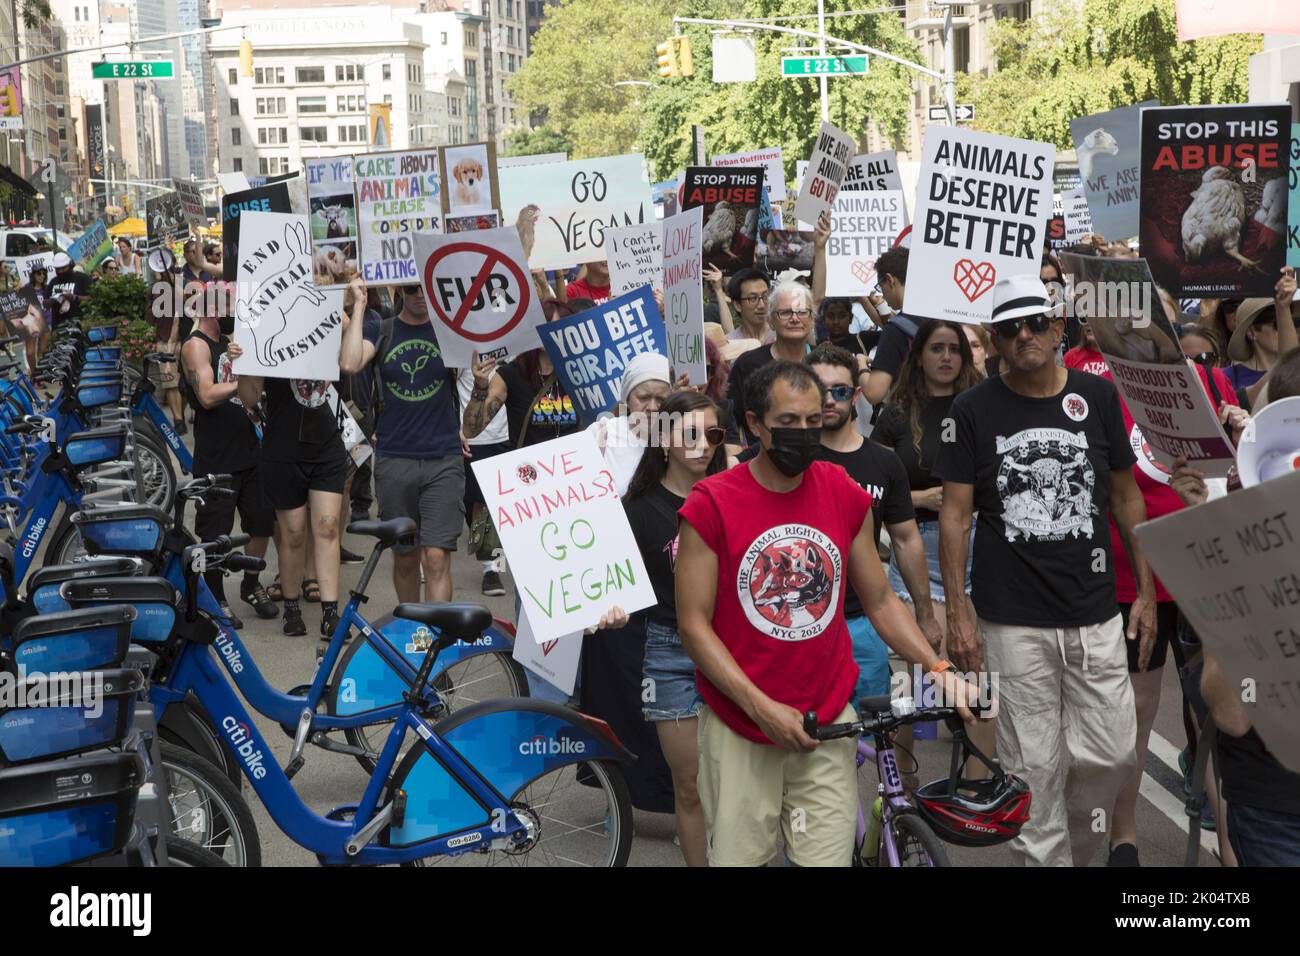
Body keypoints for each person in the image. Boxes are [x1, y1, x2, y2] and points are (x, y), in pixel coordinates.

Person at [676, 359, 979, 867]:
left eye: (812, 422)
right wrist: (761, 708)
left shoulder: (842, 492)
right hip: (741, 726)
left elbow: (880, 600)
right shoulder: (712, 504)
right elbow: (693, 626)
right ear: (754, 423)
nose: (802, 434)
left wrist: (937, 668)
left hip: (828, 720)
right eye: (788, 423)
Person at [935, 274, 1156, 867]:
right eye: (1010, 328)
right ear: (993, 339)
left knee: (1111, 754)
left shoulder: (1098, 397)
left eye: (1036, 323)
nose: (1025, 335)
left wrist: (1149, 591)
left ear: (1060, 327)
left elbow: (1126, 496)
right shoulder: (971, 409)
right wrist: (958, 611)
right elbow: (954, 517)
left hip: (1094, 612)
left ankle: (1078, 853)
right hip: (1012, 623)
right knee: (1032, 769)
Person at [624, 389, 729, 866]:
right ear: (664, 439)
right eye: (690, 434)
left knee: (735, 785)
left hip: (733, 648)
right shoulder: (639, 509)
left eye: (712, 434)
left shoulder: (737, 498)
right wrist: (612, 610)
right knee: (689, 788)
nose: (702, 445)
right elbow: (616, 589)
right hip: (669, 653)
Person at [338, 279, 465, 609]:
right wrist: (360, 304)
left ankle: (436, 642)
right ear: (399, 293)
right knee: (406, 558)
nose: (420, 294)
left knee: (436, 557)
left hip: (443, 458)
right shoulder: (384, 329)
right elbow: (350, 363)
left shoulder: (450, 331)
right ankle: (414, 635)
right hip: (396, 460)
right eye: (412, 289)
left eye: (426, 287)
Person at [238, 329, 348, 641]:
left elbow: (350, 359)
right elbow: (248, 397)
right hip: (283, 447)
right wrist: (244, 359)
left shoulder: (322, 323)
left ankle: (330, 613)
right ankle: (291, 608)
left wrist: (354, 302)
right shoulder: (268, 331)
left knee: (327, 527)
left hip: (325, 445)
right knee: (294, 533)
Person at [179, 280, 278, 628]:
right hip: (217, 457)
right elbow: (205, 395)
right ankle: (215, 594)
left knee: (261, 521)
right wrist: (244, 375)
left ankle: (251, 584)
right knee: (216, 531)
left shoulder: (228, 341)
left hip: (251, 451)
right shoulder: (196, 345)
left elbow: (251, 397)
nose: (234, 310)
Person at [726, 279, 814, 444]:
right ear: (771, 321)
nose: (795, 319)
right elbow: (728, 420)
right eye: (786, 312)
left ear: (812, 318)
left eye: (802, 312)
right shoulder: (747, 364)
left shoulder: (824, 362)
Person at [587, 351, 673, 495]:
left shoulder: (679, 439)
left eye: (661, 399)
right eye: (643, 397)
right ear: (627, 399)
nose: (652, 407)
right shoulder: (602, 433)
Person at [1225, 282, 1300, 408]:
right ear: (1252, 332)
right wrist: (1282, 308)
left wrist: (1283, 310)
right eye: (1277, 323)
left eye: (1295, 322)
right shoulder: (1227, 378)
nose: (1287, 328)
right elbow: (1287, 367)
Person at [861, 245, 919, 407]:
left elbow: (874, 393)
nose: (882, 294)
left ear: (889, 279)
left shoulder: (895, 329)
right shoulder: (942, 318)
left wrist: (860, 366)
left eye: (881, 285)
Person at [723, 267, 772, 343]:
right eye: (753, 298)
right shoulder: (731, 343)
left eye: (765, 296)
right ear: (737, 305)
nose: (762, 305)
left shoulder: (781, 338)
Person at [46, 253, 92, 328]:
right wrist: (54, 300)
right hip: (58, 327)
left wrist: (74, 297)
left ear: (70, 265)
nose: (61, 271)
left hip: (79, 325)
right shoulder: (53, 282)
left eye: (63, 268)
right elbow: (45, 303)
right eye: (58, 269)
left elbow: (93, 298)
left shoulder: (82, 278)